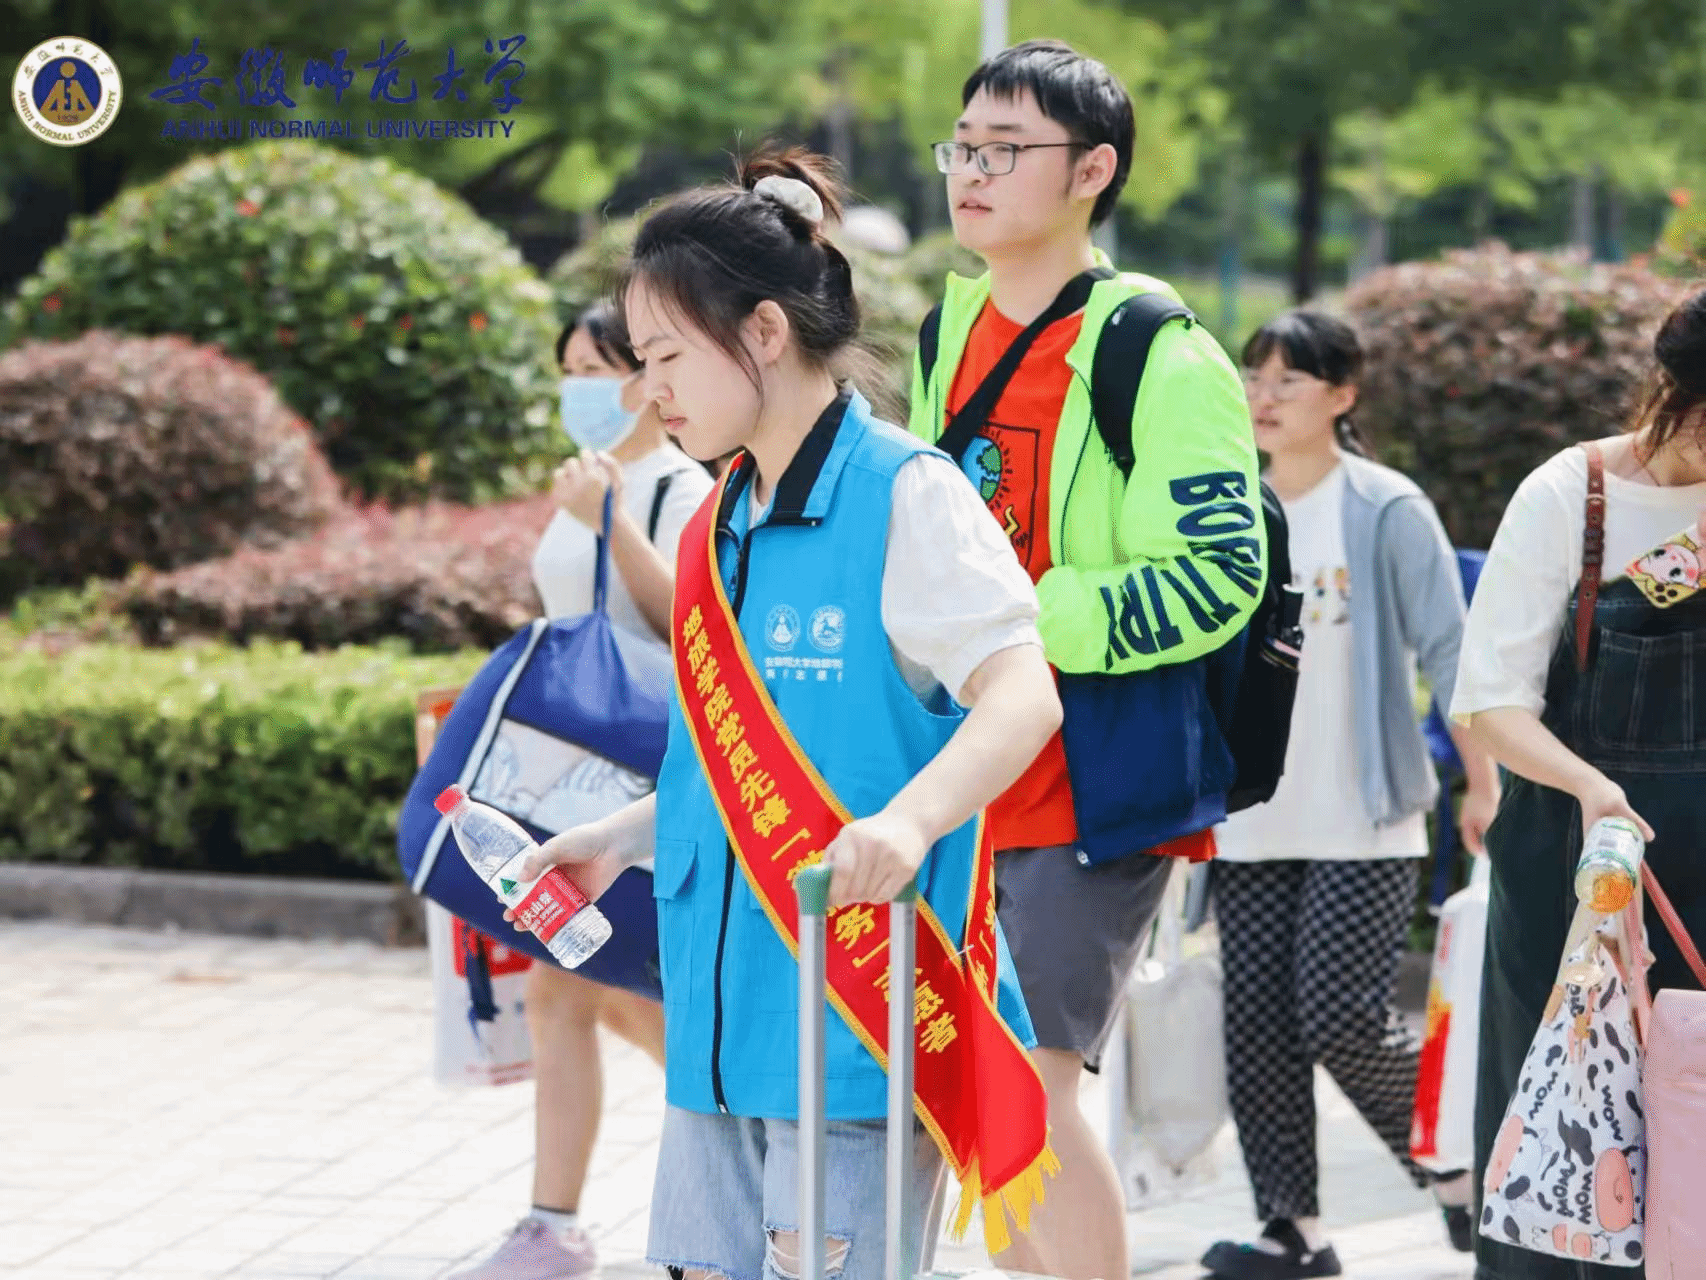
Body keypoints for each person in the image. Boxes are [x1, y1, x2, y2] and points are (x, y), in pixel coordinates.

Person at [513, 145, 1063, 1280]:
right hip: (719, 1027)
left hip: (856, 1016)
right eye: (641, 362)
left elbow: (1022, 695)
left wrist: (908, 822)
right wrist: (618, 839)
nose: (648, 391)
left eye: (667, 356)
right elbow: (724, 771)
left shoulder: (905, 493)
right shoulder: (713, 523)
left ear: (763, 331)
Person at [906, 39, 1264, 1280]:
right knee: (976, 1092)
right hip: (959, 766)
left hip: (1088, 778)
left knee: (1031, 1081)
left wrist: (1019, 621)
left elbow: (1217, 574)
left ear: (1091, 170)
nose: (971, 172)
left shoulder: (1157, 349)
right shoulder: (944, 331)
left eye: (1006, 150)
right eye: (962, 147)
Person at [1199, 311, 1501, 1280]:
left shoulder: (1383, 506)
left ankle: (1455, 1162)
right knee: (1256, 1025)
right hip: (1247, 816)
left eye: (1288, 380)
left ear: (1341, 394)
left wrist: (1482, 780)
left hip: (1364, 815)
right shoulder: (1222, 501)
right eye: (1253, 376)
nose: (1263, 397)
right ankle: (1291, 1227)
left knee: (1338, 1013)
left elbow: (1451, 651)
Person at [452, 303, 714, 1280]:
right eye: (567, 367)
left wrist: (608, 518)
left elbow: (688, 621)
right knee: (564, 984)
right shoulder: (582, 479)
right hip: (565, 778)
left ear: (648, 374)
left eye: (598, 367)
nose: (580, 388)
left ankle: (733, 1145)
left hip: (646, 777)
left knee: (606, 984)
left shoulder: (681, 486)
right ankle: (555, 1221)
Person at [1456, 289, 1706, 1280]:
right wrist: (1589, 785)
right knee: (1568, 1147)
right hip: (1580, 868)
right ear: (1679, 395)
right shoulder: (1574, 493)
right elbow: (1490, 702)